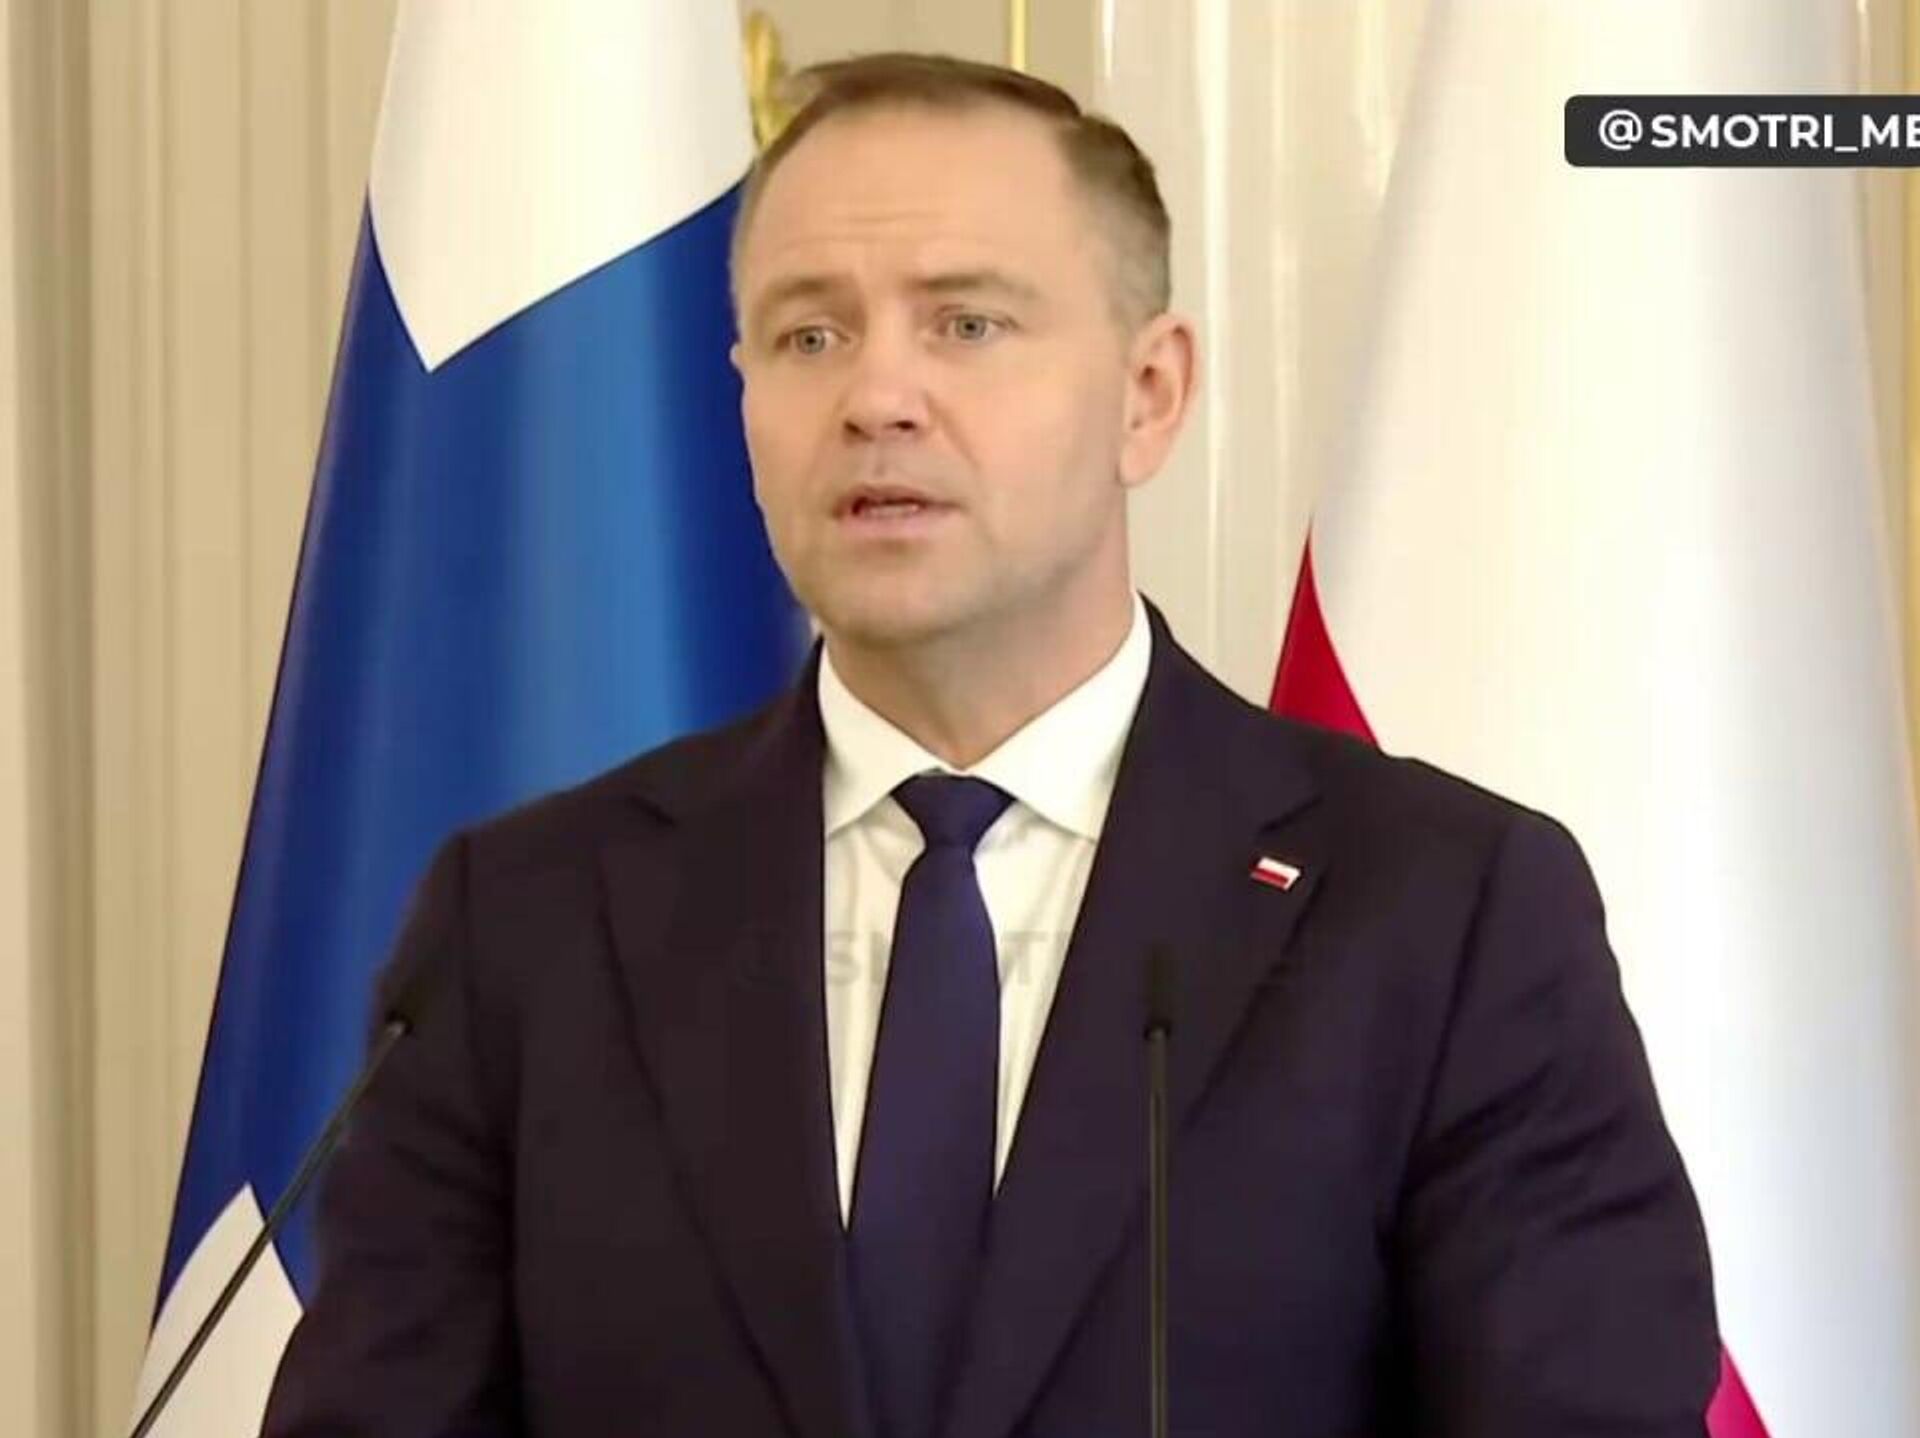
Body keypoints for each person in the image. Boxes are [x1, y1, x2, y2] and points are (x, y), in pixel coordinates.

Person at [262, 51, 1718, 1438]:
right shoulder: (528, 925)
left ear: (1149, 395)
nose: (876, 398)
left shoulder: (1444, 911)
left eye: (966, 324)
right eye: (810, 335)